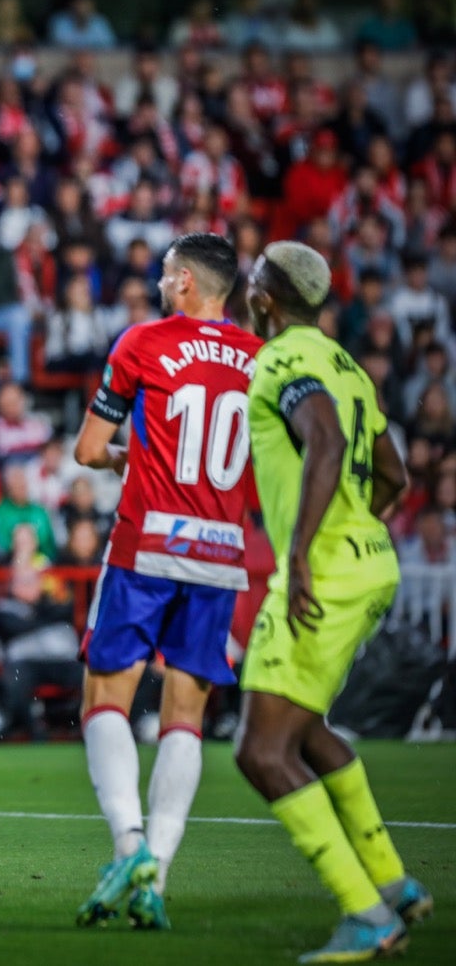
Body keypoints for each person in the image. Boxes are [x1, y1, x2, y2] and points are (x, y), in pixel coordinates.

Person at [236, 242, 433, 962]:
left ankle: (367, 913)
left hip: (320, 571)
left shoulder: (283, 360)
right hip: (370, 564)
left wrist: (301, 555)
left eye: (253, 285)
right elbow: (395, 475)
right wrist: (357, 532)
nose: (248, 296)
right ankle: (394, 883)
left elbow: (323, 442)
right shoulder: (346, 364)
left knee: (260, 751)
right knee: (305, 730)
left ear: (267, 299)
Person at [69, 233, 264, 930]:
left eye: (162, 273)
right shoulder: (258, 357)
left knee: (106, 696)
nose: (157, 282)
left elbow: (89, 449)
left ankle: (128, 845)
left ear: (184, 281)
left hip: (147, 542)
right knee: (186, 713)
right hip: (220, 554)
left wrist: (128, 455)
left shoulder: (143, 343)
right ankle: (160, 872)